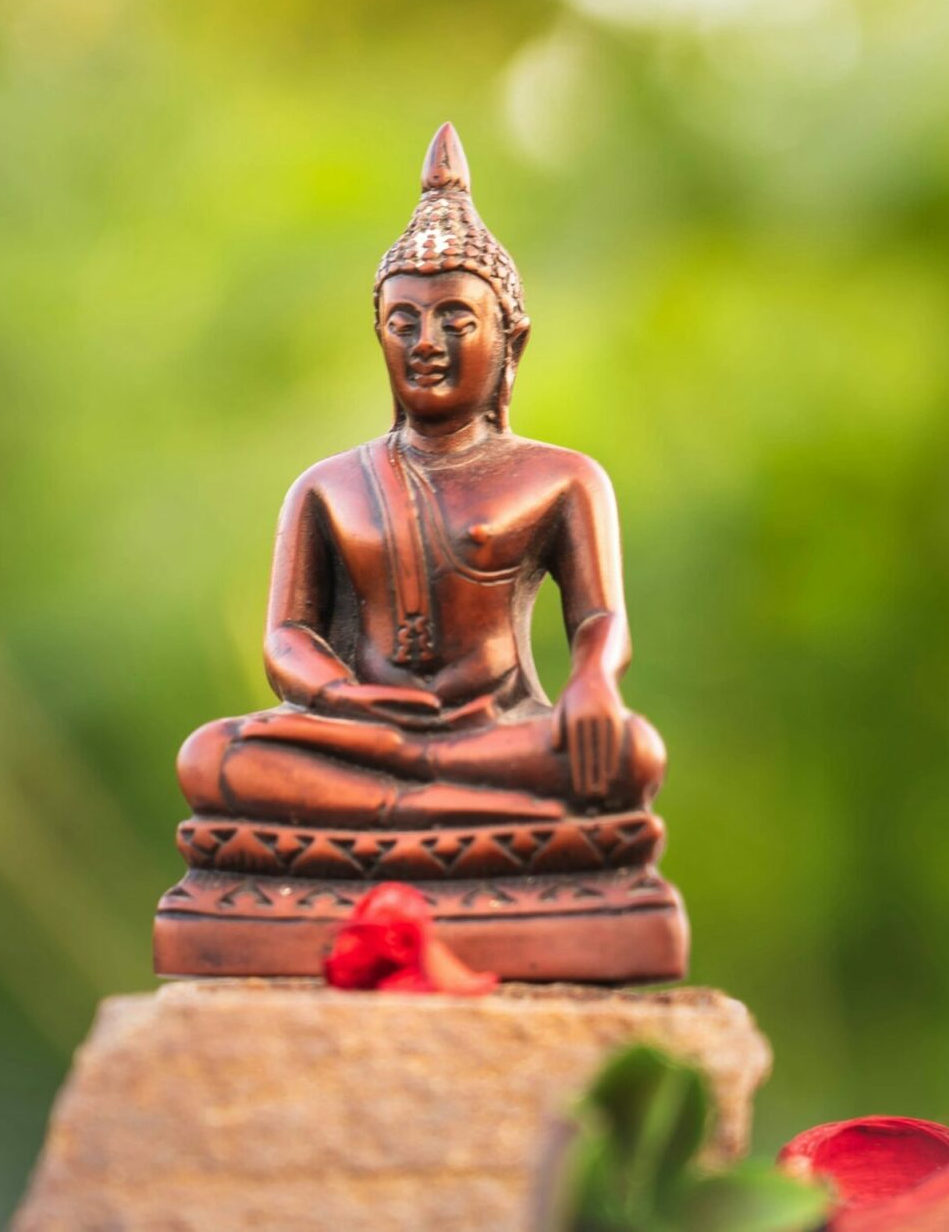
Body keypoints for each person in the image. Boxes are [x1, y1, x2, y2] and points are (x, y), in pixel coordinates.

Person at [176, 124, 665, 830]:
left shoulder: (561, 480)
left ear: (510, 339)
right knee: (211, 757)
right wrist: (350, 703)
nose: (426, 343)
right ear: (378, 332)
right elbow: (288, 638)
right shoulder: (330, 487)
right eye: (402, 322)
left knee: (630, 755)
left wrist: (590, 684)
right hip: (363, 736)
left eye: (455, 321)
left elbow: (598, 616)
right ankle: (461, 806)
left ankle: (415, 801)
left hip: (500, 727)